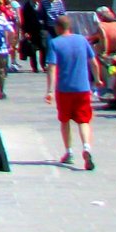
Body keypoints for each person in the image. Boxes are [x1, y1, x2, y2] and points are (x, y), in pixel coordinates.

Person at [45, 15, 101, 169]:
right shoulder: (82, 40)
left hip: (64, 89)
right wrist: (97, 79)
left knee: (65, 120)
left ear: (57, 28)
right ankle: (86, 148)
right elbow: (94, 62)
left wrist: (49, 90)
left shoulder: (55, 43)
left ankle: (69, 152)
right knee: (84, 120)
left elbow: (52, 67)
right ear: (69, 26)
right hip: (83, 88)